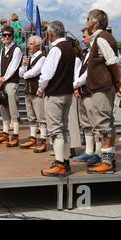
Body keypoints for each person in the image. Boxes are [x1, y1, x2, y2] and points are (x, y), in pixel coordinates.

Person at [85, 9, 121, 174]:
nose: (86, 22)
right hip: (102, 86)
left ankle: (107, 162)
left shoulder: (101, 38)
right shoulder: (102, 38)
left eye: (88, 19)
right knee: (106, 123)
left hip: (102, 87)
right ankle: (109, 159)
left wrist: (117, 81)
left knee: (103, 124)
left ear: (94, 22)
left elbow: (113, 61)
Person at [38, 21, 75, 177]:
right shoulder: (70, 48)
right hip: (67, 93)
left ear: (51, 34)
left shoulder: (56, 49)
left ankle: (60, 164)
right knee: (64, 129)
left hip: (55, 94)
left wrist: (41, 87)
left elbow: (46, 74)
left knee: (56, 131)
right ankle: (64, 161)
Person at [73, 28, 102, 164]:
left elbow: (87, 74)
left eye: (84, 37)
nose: (83, 39)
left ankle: (98, 153)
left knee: (95, 123)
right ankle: (89, 151)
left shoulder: (96, 53)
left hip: (91, 92)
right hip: (82, 92)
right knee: (86, 124)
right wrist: (77, 86)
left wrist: (75, 84)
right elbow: (80, 72)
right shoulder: (86, 53)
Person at [0, 27, 23, 147]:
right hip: (3, 82)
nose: (6, 37)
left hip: (11, 83)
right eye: (4, 35)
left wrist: (3, 79)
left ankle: (15, 135)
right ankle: (5, 133)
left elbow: (13, 67)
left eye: (8, 35)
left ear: (12, 36)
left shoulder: (17, 50)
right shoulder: (3, 50)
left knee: (13, 109)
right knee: (3, 107)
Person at [18, 35, 47, 152]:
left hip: (37, 91)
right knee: (31, 117)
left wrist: (25, 73)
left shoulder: (42, 57)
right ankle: (33, 137)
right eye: (29, 44)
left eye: (31, 44)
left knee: (41, 117)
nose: (28, 46)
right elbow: (21, 72)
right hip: (28, 91)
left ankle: (43, 139)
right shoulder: (29, 58)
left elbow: (35, 72)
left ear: (37, 45)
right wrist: (24, 65)